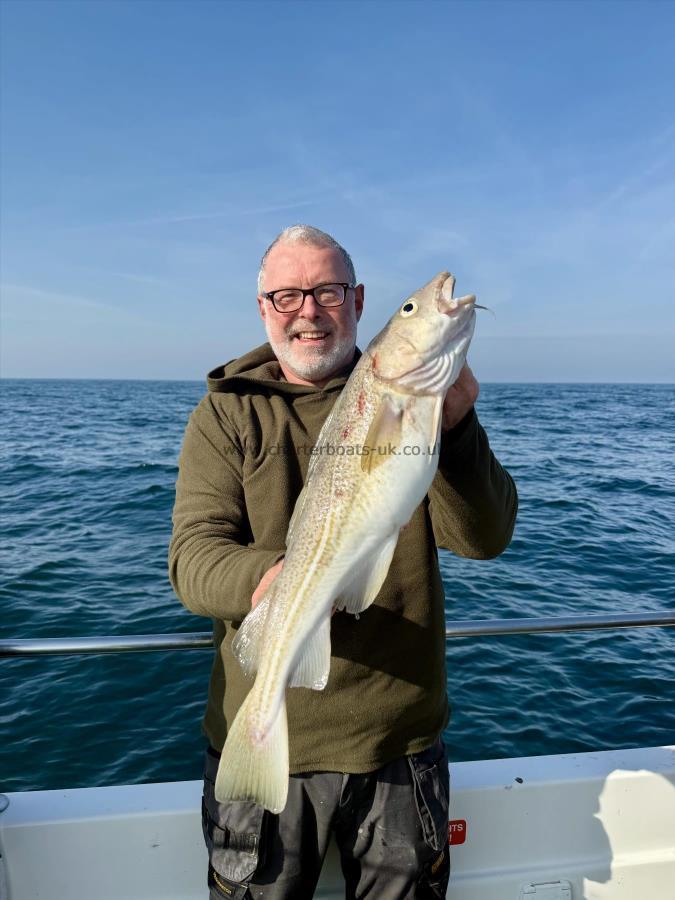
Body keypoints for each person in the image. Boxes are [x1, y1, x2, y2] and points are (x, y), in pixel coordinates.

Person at [169, 225, 517, 899]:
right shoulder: (225, 417)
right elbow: (192, 559)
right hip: (267, 732)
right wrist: (274, 583)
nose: (307, 310)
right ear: (264, 308)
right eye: (287, 294)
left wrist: (456, 431)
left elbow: (484, 539)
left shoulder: (419, 403)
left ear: (357, 301)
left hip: (399, 744)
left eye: (326, 291)